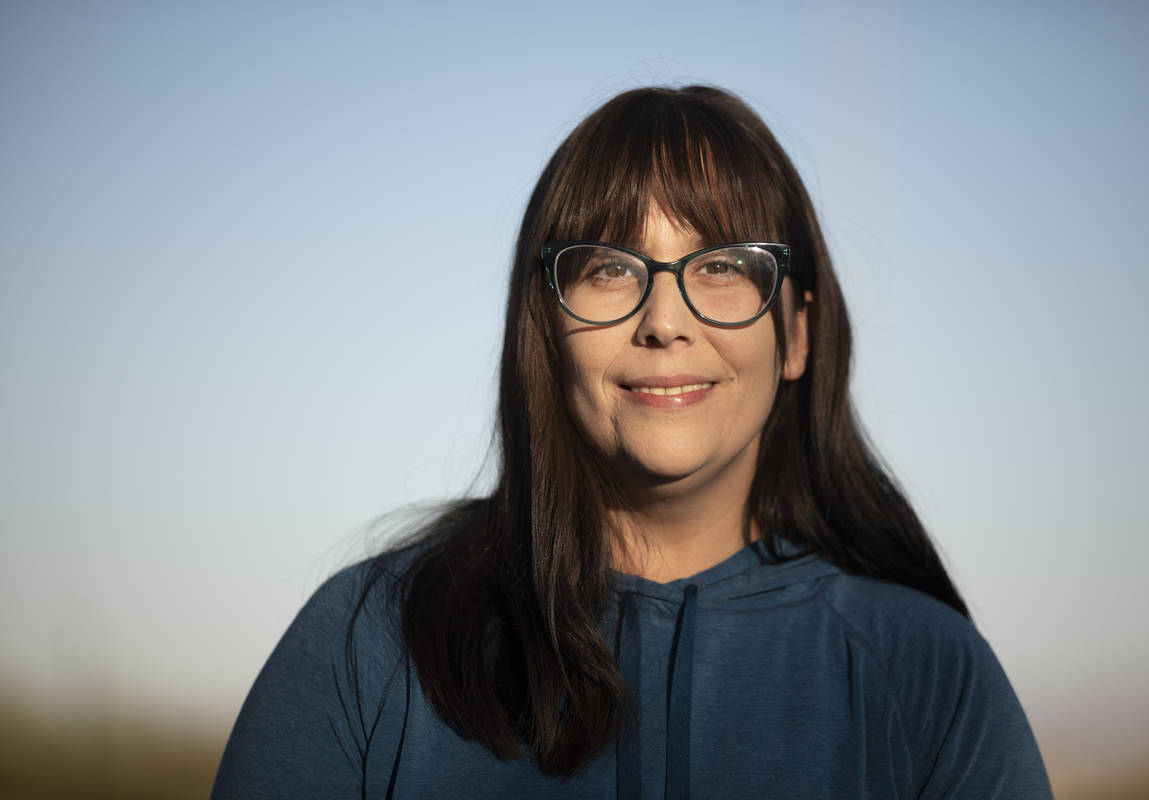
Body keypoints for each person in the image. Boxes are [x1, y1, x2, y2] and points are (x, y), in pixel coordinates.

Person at [211, 86, 1052, 799]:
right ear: (546, 328)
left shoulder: (928, 673)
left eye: (723, 265)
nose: (664, 321)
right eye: (610, 268)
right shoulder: (374, 642)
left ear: (798, 335)